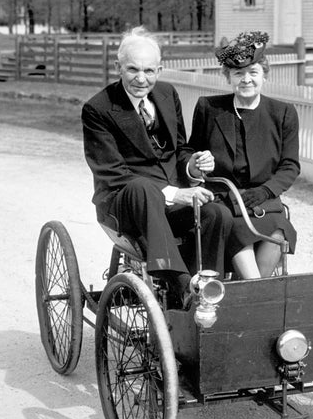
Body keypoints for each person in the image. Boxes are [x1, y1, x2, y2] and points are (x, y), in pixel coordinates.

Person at [81, 26, 232, 302]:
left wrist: (192, 167)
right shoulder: (98, 109)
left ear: (159, 70)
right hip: (125, 203)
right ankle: (182, 284)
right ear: (118, 67)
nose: (141, 79)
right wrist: (176, 193)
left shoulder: (166, 94)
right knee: (142, 188)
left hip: (168, 202)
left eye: (149, 71)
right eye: (132, 69)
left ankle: (209, 290)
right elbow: (114, 175)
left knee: (215, 213)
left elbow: (180, 148)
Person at [189, 31, 300, 279]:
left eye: (253, 73)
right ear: (228, 77)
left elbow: (290, 166)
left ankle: (251, 294)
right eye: (239, 74)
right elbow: (190, 150)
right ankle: (254, 292)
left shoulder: (282, 113)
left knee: (278, 233)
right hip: (223, 200)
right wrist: (196, 162)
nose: (246, 80)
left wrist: (266, 191)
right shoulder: (209, 109)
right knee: (237, 229)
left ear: (264, 75)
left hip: (263, 200)